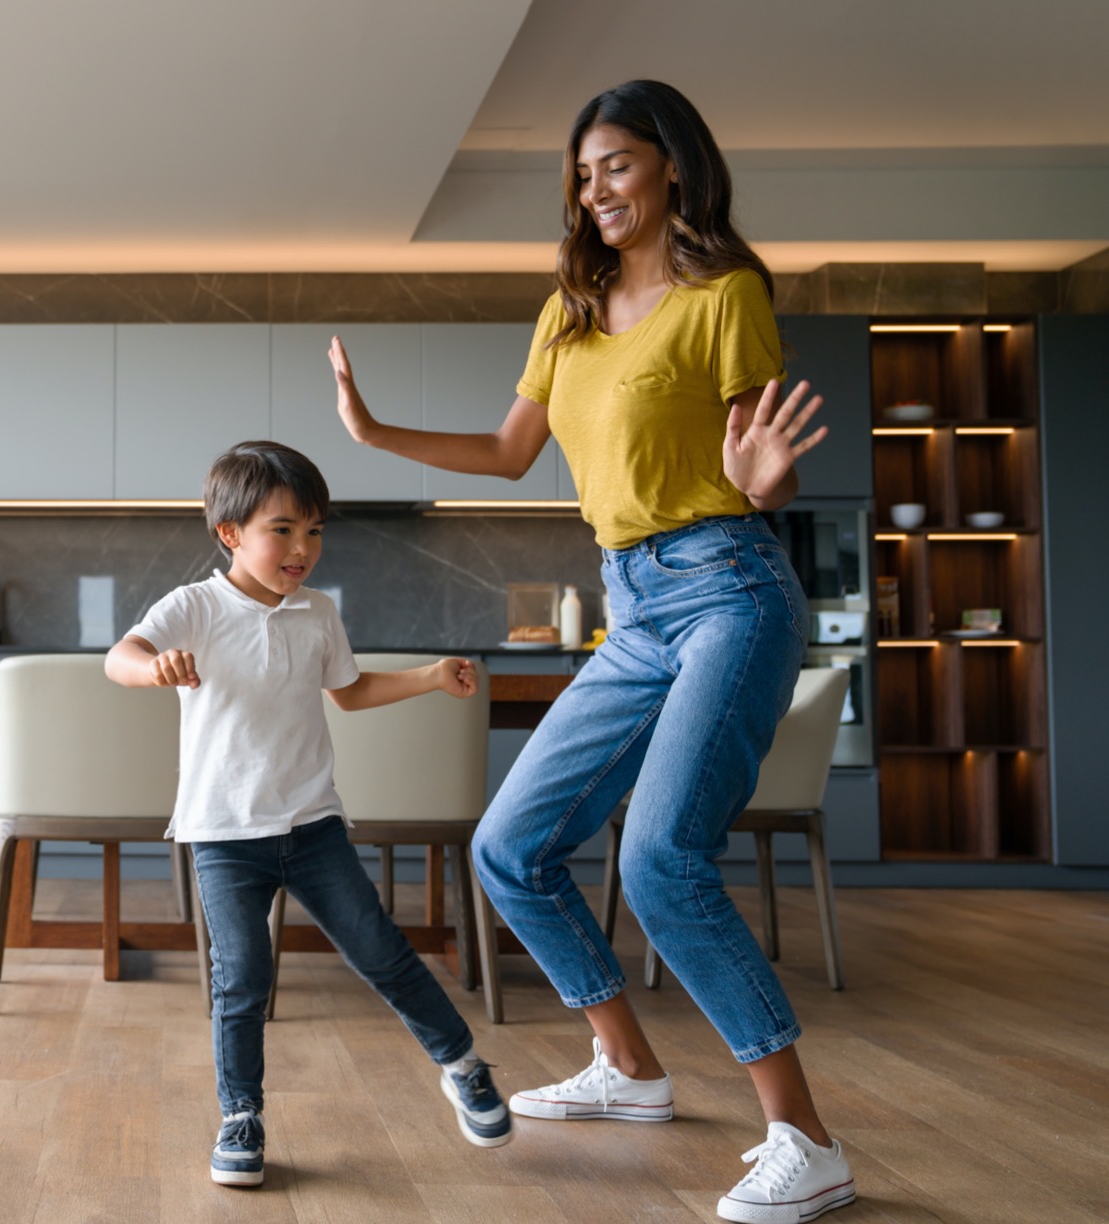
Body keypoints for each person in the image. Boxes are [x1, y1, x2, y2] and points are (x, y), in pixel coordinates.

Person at [328, 80, 853, 1224]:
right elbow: (513, 450)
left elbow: (761, 457)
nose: (594, 188)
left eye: (614, 163)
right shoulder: (567, 308)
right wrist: (374, 435)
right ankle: (628, 1067)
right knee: (510, 847)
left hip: (728, 585)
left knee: (661, 860)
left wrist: (773, 489)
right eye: (581, 172)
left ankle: (804, 1138)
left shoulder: (724, 295)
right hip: (630, 602)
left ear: (669, 165)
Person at [105, 440, 509, 1189]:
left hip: (313, 826)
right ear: (229, 533)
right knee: (243, 979)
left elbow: (348, 692)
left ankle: (462, 1064)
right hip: (225, 836)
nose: (302, 547)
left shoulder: (318, 612)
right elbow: (120, 655)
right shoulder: (195, 606)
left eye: (315, 530)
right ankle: (240, 1117)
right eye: (282, 529)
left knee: (382, 952)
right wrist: (151, 666)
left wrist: (427, 676)